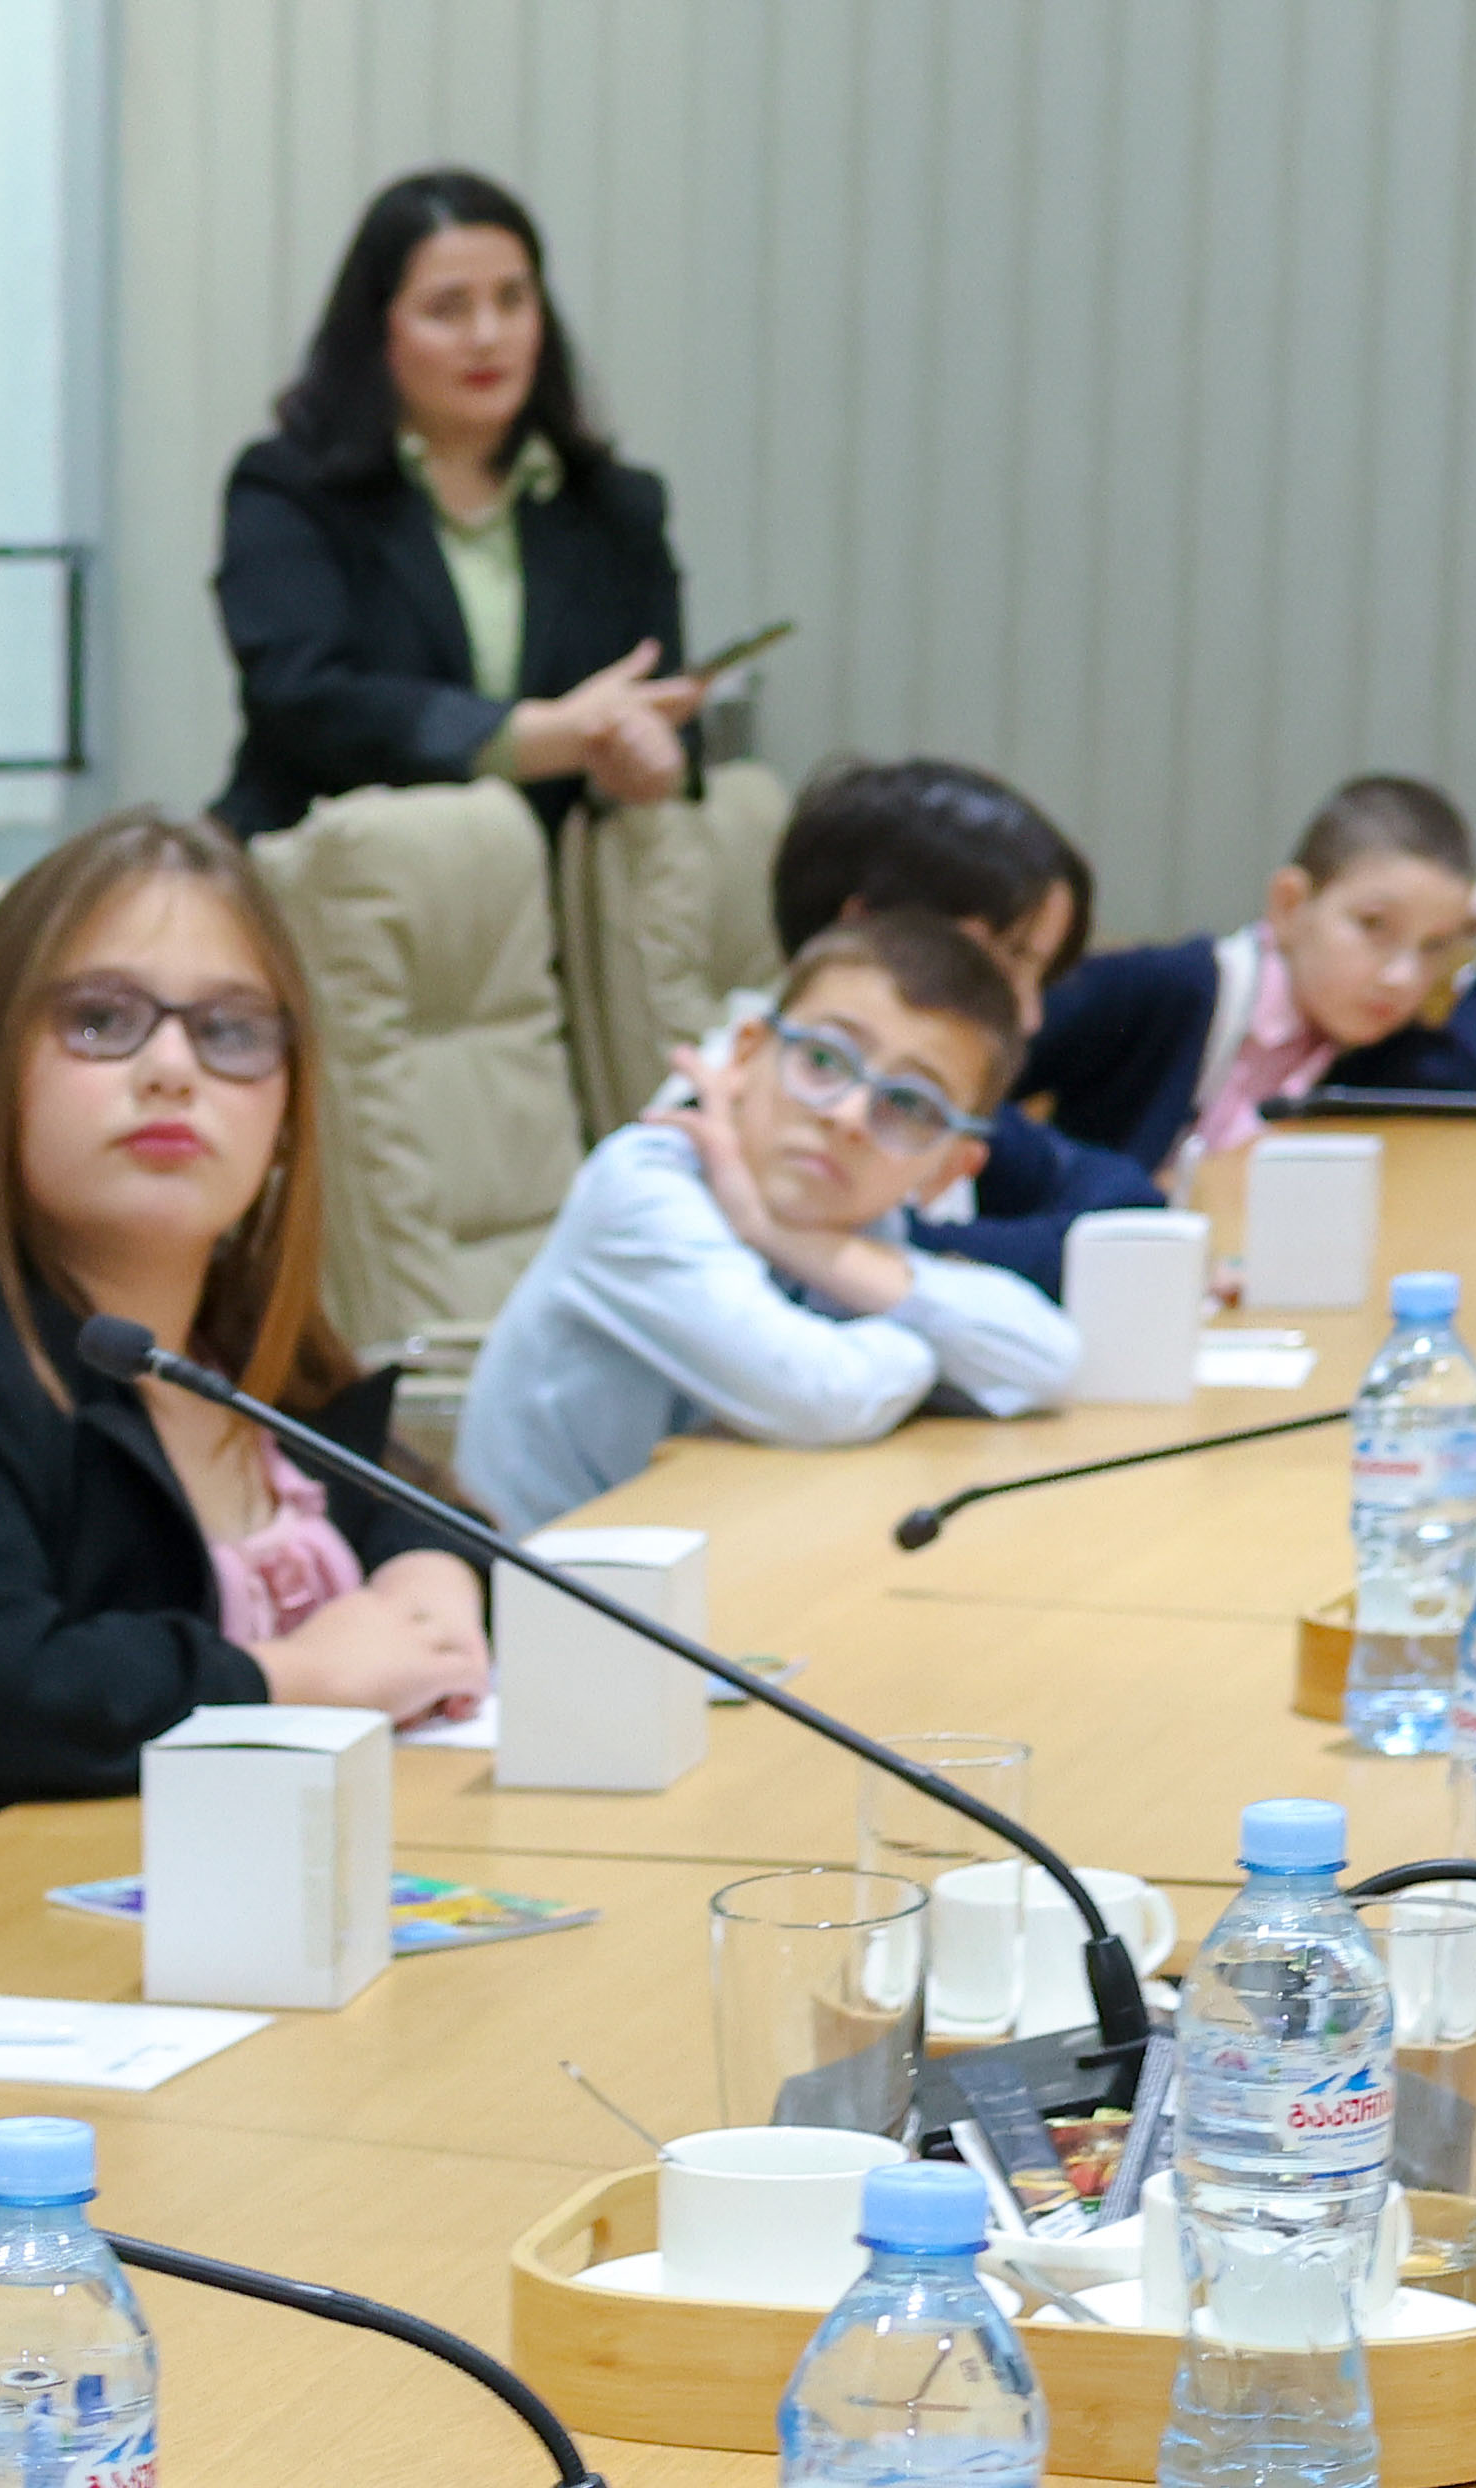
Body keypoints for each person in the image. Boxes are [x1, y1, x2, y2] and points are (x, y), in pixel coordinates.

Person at [0, 818, 487, 1875]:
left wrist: (434, 1575)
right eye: (101, 1021)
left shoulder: (233, 1339)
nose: (171, 1068)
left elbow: (404, 1504)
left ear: (286, 1111)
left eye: (230, 1032)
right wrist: (293, 1681)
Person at [455, 911, 1081, 1544]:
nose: (849, 1115)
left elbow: (1044, 1361)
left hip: (731, 1549)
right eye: (823, 1059)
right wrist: (920, 1351)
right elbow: (812, 1395)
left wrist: (777, 1236)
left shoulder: (859, 1222)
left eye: (910, 1104)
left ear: (949, 1168)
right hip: (539, 1584)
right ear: (748, 1052)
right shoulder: (645, 1180)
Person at [211, 169, 701, 839]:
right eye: (448, 309)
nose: (487, 335)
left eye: (513, 300)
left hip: (548, 868)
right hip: (345, 858)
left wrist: (650, 759)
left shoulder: (616, 506)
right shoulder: (289, 489)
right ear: (378, 330)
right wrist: (536, 736)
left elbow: (663, 704)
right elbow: (304, 698)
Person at [1019, 773, 1476, 1176]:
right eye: (1374, 925)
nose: (1402, 976)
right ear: (1289, 905)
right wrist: (1068, 1189)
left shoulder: (1368, 1048)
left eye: (1434, 946)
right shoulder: (1166, 988)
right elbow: (985, 1075)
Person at [764, 755, 1165, 1294]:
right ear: (866, 926)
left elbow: (1127, 1207)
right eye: (1008, 958)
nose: (1029, 1016)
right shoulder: (737, 1114)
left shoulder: (922, 1092)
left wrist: (923, 1250)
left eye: (1039, 975)